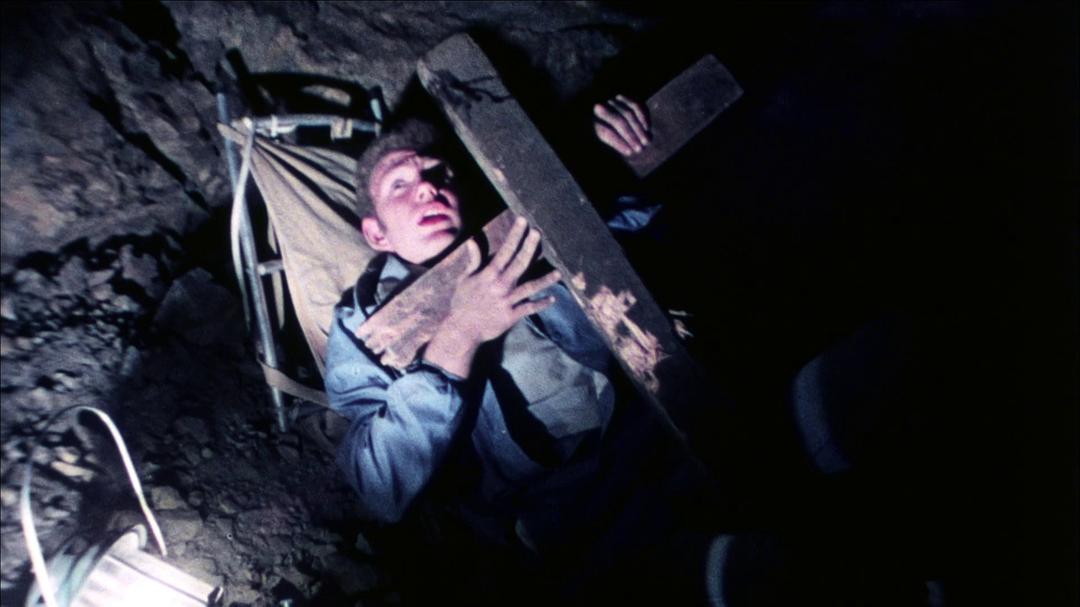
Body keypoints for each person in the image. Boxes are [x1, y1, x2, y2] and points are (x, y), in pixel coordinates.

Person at [322, 96, 714, 601]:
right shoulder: (362, 323)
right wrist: (459, 336)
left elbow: (640, 229)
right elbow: (378, 483)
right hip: (544, 513)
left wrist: (618, 160)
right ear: (376, 233)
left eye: (439, 174)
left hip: (646, 436)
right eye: (399, 184)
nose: (427, 187)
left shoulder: (519, 230)